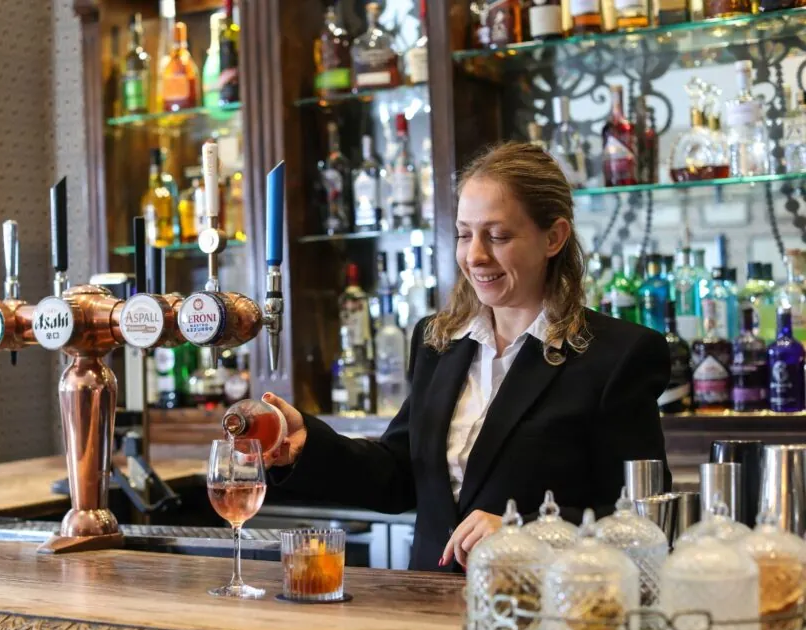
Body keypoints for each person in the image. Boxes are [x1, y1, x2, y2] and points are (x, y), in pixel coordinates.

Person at [262, 141, 671, 572]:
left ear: (554, 237)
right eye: (464, 234)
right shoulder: (438, 342)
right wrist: (309, 445)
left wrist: (524, 531)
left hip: (546, 611)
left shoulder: (617, 356)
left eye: (497, 236)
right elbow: (400, 476)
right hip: (430, 608)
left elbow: (642, 518)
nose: (474, 255)